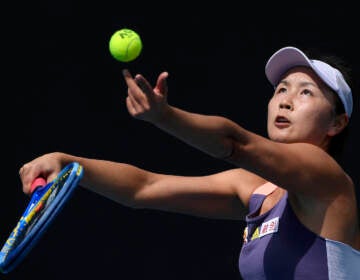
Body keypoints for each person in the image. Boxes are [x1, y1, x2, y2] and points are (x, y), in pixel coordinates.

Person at [18, 46, 359, 279]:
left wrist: (164, 116)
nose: (285, 101)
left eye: (305, 93)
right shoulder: (254, 188)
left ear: (336, 124)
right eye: (281, 89)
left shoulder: (327, 179)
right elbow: (144, 187)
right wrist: (70, 164)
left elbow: (234, 142)